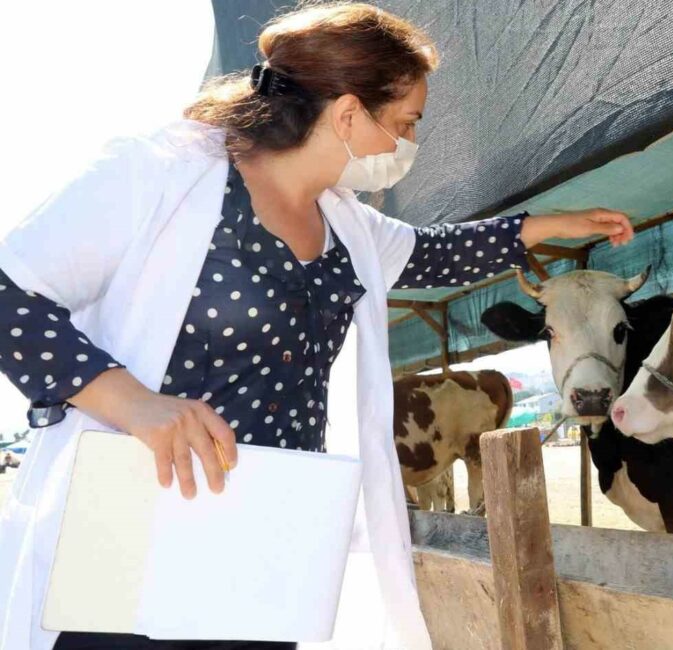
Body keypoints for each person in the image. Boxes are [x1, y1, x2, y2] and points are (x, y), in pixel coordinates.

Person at [0, 4, 634, 650]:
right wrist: (134, 404)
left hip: (273, 527)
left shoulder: (347, 225)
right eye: (406, 123)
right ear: (349, 113)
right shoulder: (161, 171)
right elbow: (9, 292)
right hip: (139, 514)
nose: (407, 146)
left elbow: (431, 252)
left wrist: (553, 224)